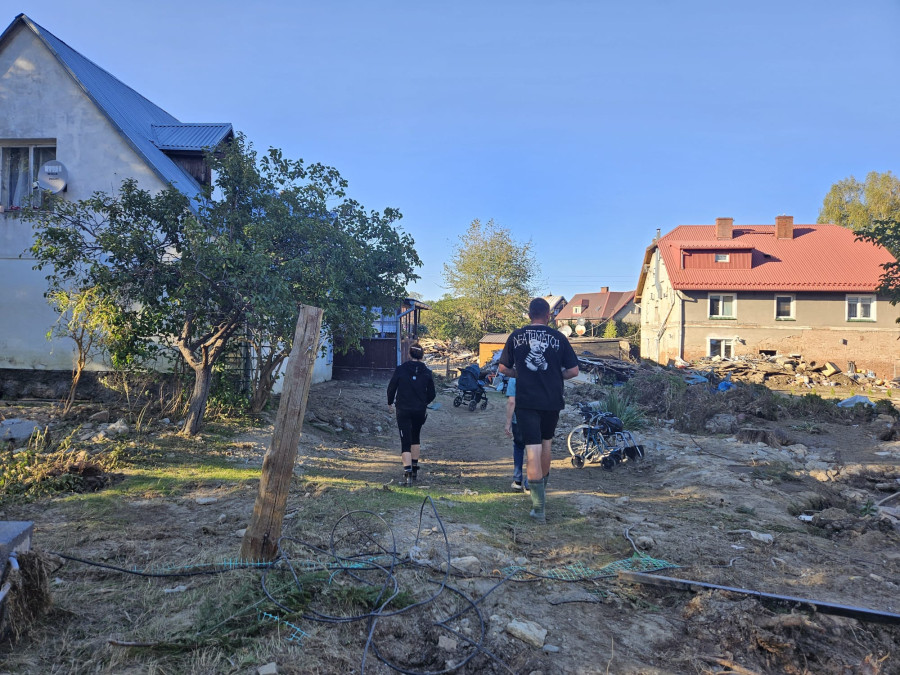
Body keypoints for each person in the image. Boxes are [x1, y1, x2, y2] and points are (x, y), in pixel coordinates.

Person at [498, 298, 579, 522]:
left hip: (526, 401)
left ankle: (538, 508)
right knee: (546, 445)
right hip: (552, 401)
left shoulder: (516, 336)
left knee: (532, 450)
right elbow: (574, 371)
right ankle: (542, 494)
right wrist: (555, 375)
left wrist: (519, 374)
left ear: (529, 314)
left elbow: (503, 368)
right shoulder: (559, 338)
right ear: (548, 315)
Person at [387, 342, 436, 486]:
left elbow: (392, 387)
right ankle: (414, 469)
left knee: (405, 441)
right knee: (416, 437)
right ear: (422, 355)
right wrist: (423, 402)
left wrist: (390, 402)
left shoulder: (401, 369)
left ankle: (407, 473)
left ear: (409, 354)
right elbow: (432, 393)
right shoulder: (427, 372)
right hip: (419, 410)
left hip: (403, 409)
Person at [504, 377, 529, 493]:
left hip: (519, 419)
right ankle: (530, 482)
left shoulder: (514, 378)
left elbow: (511, 402)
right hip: (537, 418)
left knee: (519, 447)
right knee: (533, 449)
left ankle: (517, 480)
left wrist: (508, 423)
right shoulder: (539, 374)